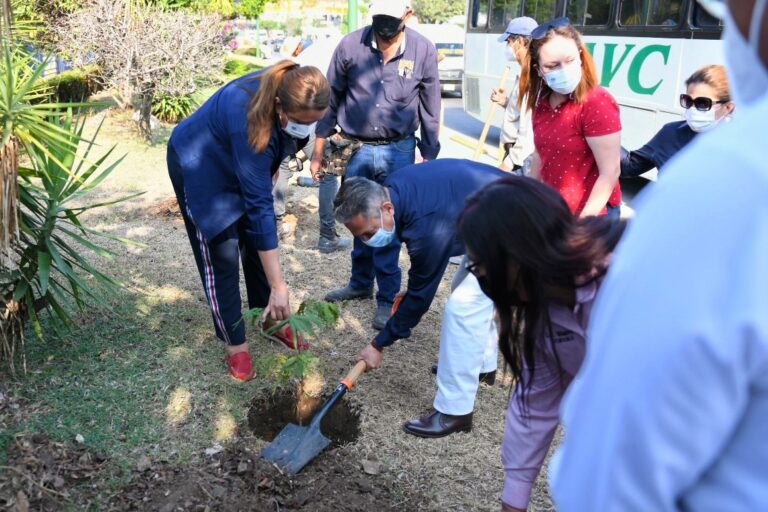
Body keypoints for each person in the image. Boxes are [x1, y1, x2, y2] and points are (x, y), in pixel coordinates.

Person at [550, 0, 768, 509]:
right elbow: (638, 159)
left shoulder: (728, 179)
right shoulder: (693, 148)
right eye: (686, 100)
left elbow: (611, 471)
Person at [456, 176, 626, 512]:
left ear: (519, 254)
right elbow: (534, 404)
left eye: (483, 264)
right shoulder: (544, 313)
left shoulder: (624, 280)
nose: (481, 276)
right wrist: (514, 498)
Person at [167, 61, 329, 381]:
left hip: (244, 155)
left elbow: (263, 195)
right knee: (222, 252)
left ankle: (269, 319)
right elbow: (259, 207)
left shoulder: (304, 93)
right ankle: (235, 344)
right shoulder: (245, 115)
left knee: (258, 247)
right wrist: (280, 286)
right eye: (299, 122)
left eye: (313, 123)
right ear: (280, 106)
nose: (305, 129)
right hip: (202, 166)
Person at [333, 162, 507, 427]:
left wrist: (379, 343)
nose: (369, 240)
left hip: (515, 227)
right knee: (466, 289)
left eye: (369, 232)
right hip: (489, 216)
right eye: (362, 237)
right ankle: (483, 367)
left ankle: (455, 411)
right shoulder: (393, 190)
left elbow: (419, 298)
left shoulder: (427, 228)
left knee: (463, 308)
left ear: (386, 209)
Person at [312, 0, 442, 330]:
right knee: (359, 218)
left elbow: (430, 103)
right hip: (356, 149)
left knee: (388, 224)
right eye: (379, 22)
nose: (384, 32)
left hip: (399, 150)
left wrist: (429, 153)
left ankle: (386, 299)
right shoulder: (350, 45)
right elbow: (331, 98)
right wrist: (318, 149)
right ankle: (359, 283)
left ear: (408, 16)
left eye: (393, 23)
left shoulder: (423, 50)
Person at [519, 17, 622, 217]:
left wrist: (583, 227)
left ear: (581, 57)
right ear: (539, 70)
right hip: (555, 211)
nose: (563, 70)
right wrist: (527, 198)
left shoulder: (597, 102)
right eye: (552, 65)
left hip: (593, 217)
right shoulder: (542, 104)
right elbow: (540, 156)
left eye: (570, 60)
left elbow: (609, 173)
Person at [621, 64, 735, 178]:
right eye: (688, 101)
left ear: (728, 107)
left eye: (702, 103)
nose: (692, 109)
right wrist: (607, 130)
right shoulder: (671, 133)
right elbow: (630, 166)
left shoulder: (741, 146)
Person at [491, 17, 538, 173]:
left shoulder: (532, 76)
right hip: (518, 156)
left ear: (521, 41)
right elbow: (521, 113)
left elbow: (529, 129)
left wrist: (509, 163)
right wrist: (506, 102)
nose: (508, 46)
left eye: (509, 41)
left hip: (523, 160)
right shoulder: (524, 72)